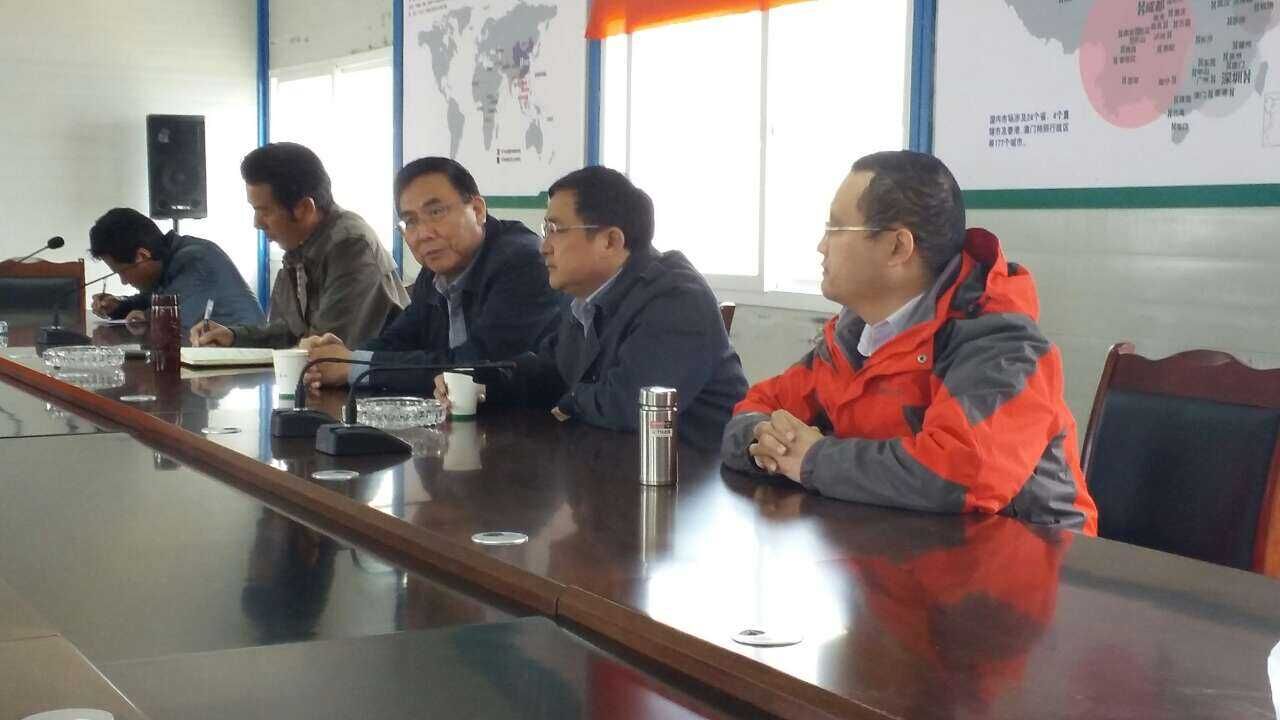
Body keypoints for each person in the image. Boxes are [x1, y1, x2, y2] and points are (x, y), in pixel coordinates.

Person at [721, 150, 1098, 533]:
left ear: (898, 247)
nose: (821, 245)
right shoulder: (853, 338)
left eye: (836, 228)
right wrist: (762, 441)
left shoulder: (1001, 345)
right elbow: (754, 407)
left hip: (1036, 556)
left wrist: (813, 459)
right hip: (900, 544)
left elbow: (961, 473)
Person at [436, 165, 748, 449]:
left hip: (691, 478)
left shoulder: (677, 298)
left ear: (610, 241)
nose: (544, 247)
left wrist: (567, 402)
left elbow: (629, 406)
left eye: (556, 229)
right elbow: (549, 370)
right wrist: (481, 381)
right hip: (610, 465)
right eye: (545, 230)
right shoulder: (585, 298)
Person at [300, 157, 564, 392]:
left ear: (477, 210)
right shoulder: (436, 269)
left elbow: (478, 365)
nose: (424, 233)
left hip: (536, 425)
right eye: (411, 221)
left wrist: (353, 366)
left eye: (436, 213)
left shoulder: (523, 262)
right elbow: (400, 339)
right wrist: (336, 358)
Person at [190, 142, 408, 348]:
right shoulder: (301, 246)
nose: (257, 223)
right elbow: (290, 332)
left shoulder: (351, 247)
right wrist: (233, 336)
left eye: (265, 211)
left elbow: (322, 347)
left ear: (304, 208)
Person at [88, 208, 264, 332]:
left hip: (249, 360)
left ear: (142, 256)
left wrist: (145, 316)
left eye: (122, 272)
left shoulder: (196, 260)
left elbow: (172, 318)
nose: (124, 281)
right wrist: (120, 305)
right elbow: (153, 300)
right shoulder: (169, 260)